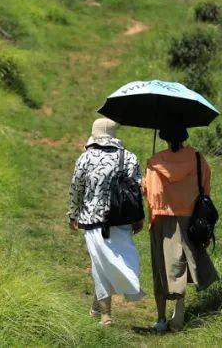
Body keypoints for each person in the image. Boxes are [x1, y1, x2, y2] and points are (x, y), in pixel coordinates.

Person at [67, 117, 145, 326]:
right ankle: (97, 307)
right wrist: (139, 218)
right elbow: (136, 192)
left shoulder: (85, 158)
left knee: (100, 264)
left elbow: (77, 189)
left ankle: (106, 315)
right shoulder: (129, 157)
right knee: (105, 263)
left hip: (93, 220)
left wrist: (73, 214)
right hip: (121, 220)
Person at [142, 125, 219, 332]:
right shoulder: (197, 159)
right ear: (185, 137)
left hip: (162, 220)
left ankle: (160, 319)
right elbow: (206, 189)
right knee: (181, 263)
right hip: (189, 217)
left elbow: (150, 194)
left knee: (161, 266)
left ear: (164, 138)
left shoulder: (155, 162)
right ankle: (179, 312)